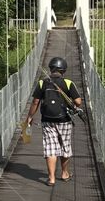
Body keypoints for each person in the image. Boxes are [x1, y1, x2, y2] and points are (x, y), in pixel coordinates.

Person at [24, 56, 83, 186]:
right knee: (65, 146)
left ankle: (51, 178)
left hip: (47, 120)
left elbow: (35, 102)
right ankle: (64, 173)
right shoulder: (68, 83)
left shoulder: (42, 83)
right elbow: (78, 102)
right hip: (64, 120)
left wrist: (29, 116)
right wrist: (70, 102)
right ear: (64, 70)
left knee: (50, 148)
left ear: (51, 69)